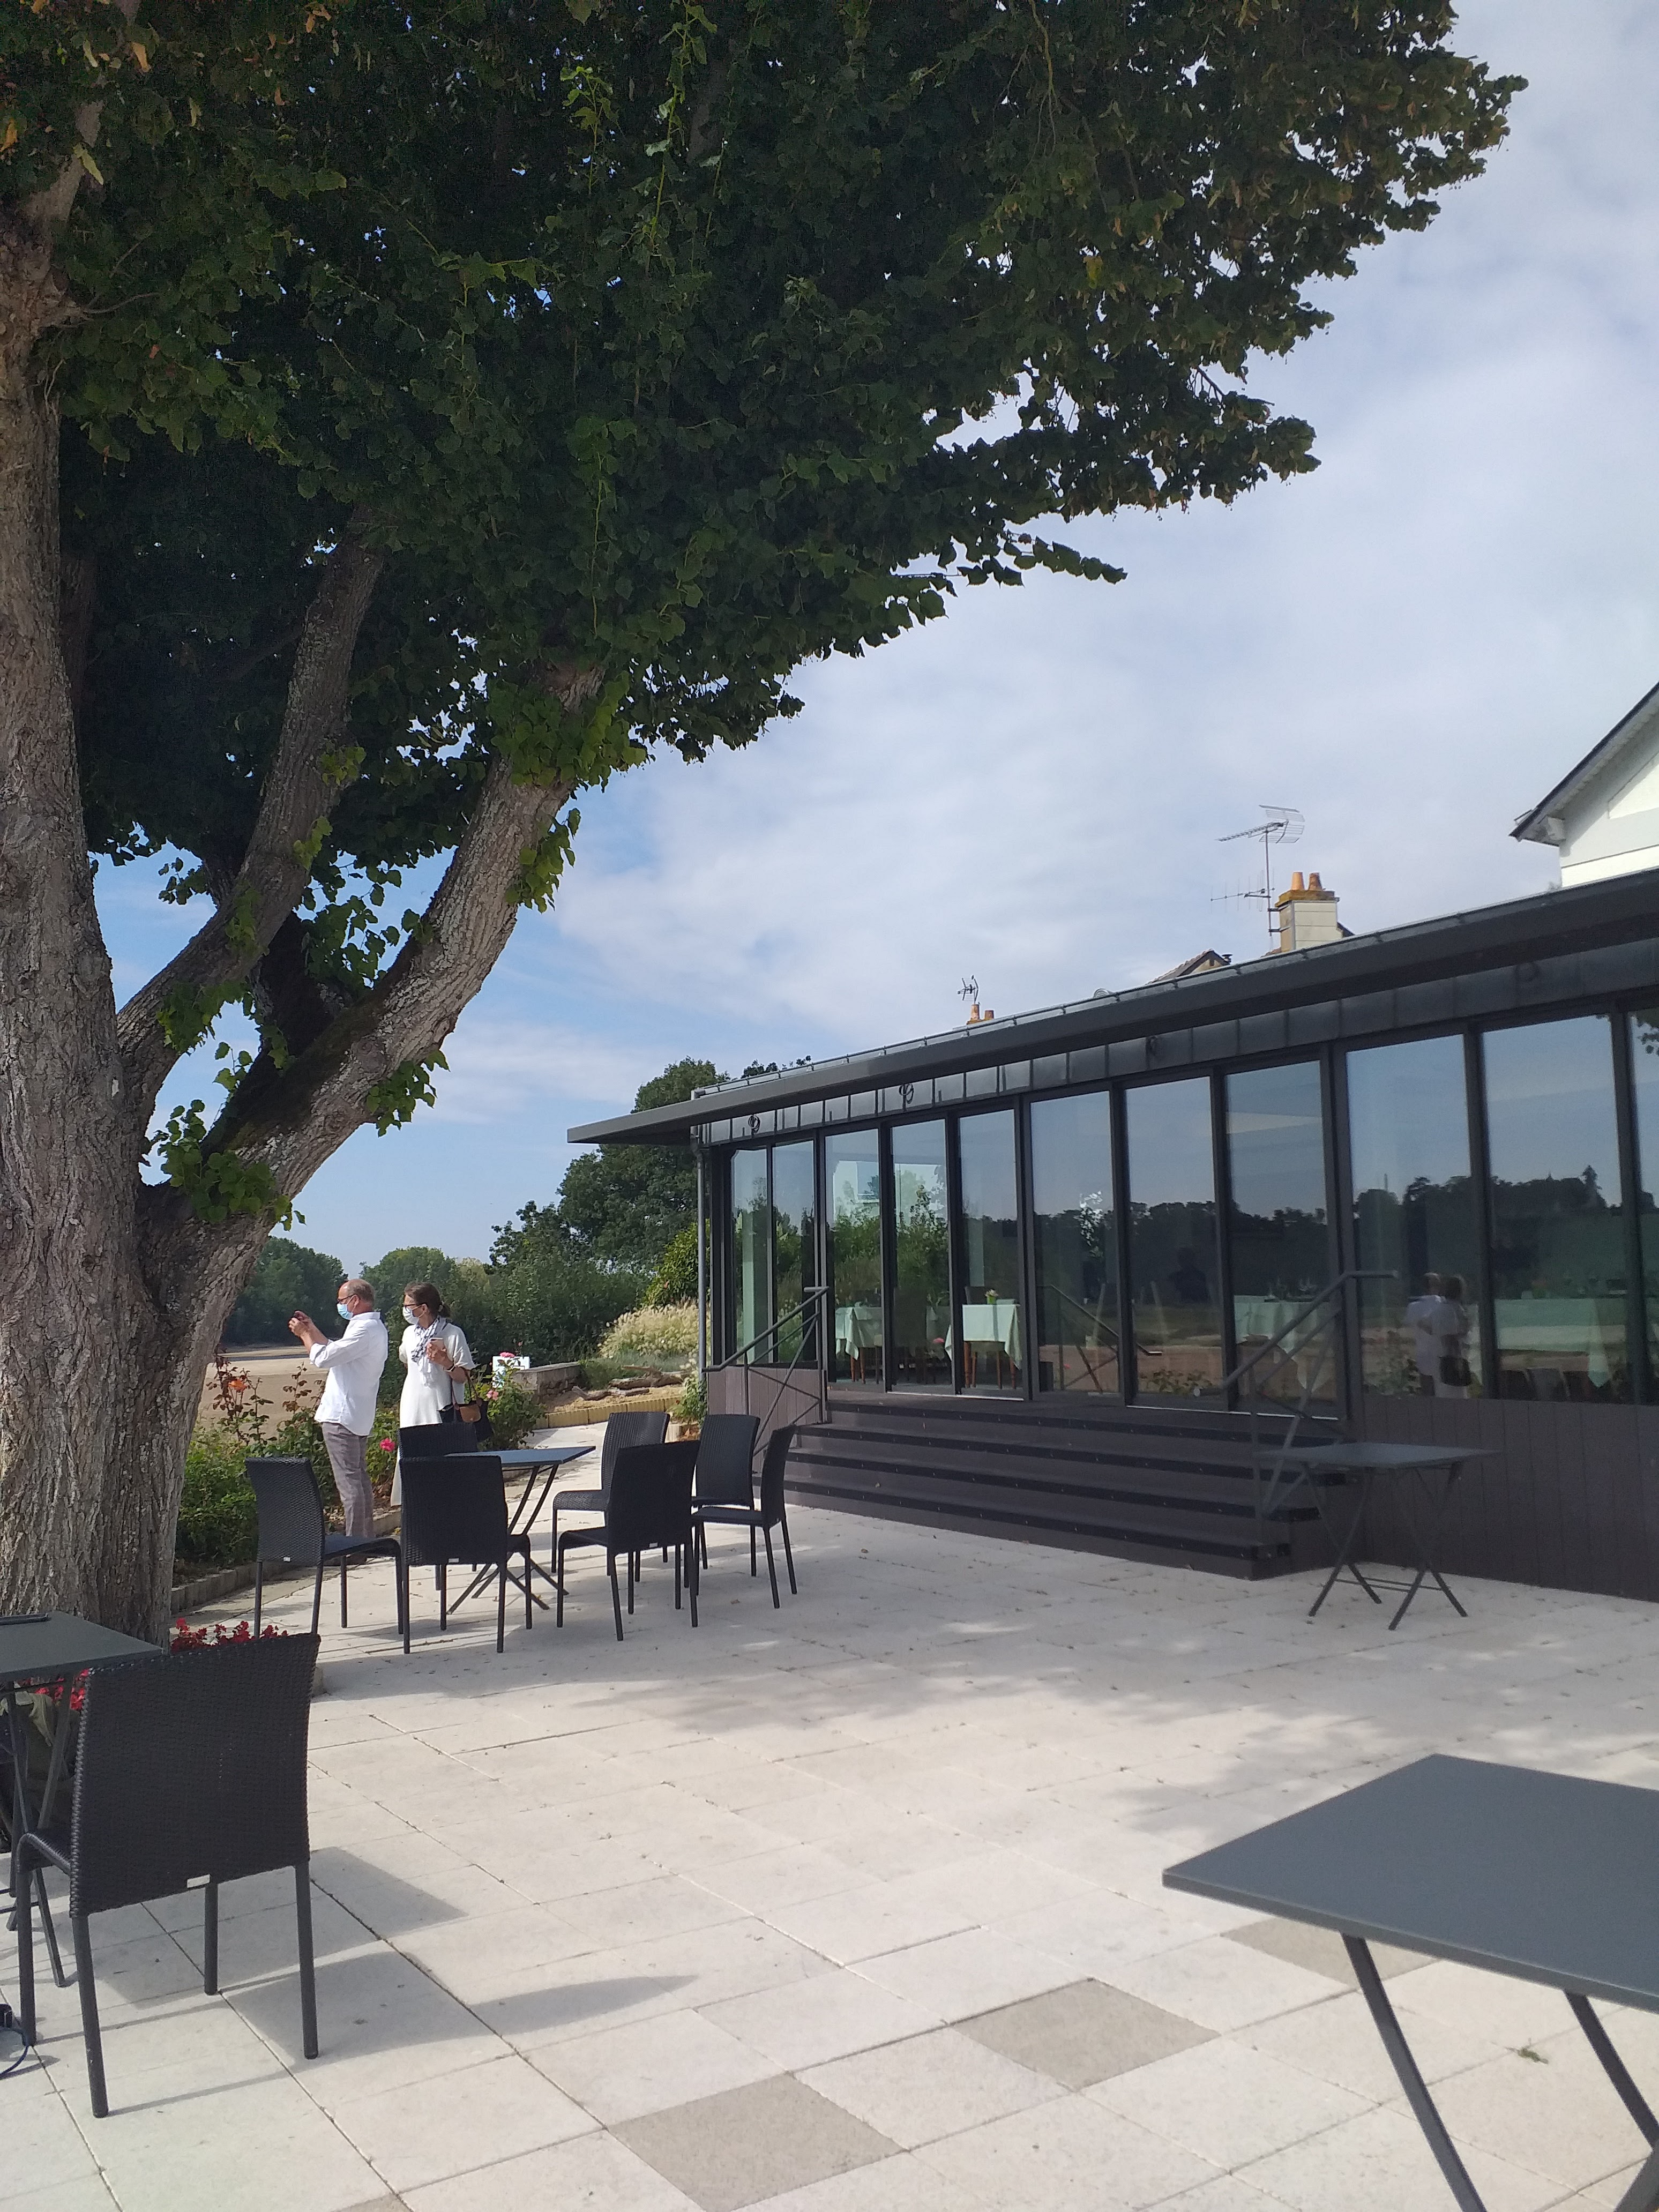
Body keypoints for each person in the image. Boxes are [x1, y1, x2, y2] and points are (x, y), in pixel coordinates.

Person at [290, 1278, 389, 1538]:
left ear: (355, 1301)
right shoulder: (372, 1327)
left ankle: (354, 1545)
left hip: (342, 1416)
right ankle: (364, 1539)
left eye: (342, 1301)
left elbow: (323, 1358)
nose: (340, 1306)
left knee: (349, 1484)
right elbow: (334, 1351)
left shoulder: (363, 1330)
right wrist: (312, 1329)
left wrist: (303, 1335)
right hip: (357, 1415)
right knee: (359, 1480)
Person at [393, 1283, 475, 1504]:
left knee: (443, 1458)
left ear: (424, 1308)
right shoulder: (409, 1334)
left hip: (443, 1406)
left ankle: (447, 1504)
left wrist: (445, 1362)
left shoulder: (452, 1334)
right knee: (413, 1455)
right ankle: (416, 1503)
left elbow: (464, 1377)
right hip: (413, 1405)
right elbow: (408, 1364)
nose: (405, 1310)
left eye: (408, 1306)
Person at [1403, 1273, 1443, 1396]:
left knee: (1427, 1392)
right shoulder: (1444, 1306)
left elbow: (1407, 1330)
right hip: (1444, 1356)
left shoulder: (1413, 1308)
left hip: (1423, 1356)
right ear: (1438, 1287)